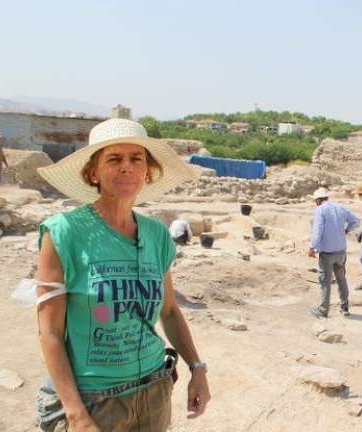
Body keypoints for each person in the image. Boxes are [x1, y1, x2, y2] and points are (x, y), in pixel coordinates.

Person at [33, 118, 209, 432]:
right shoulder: (63, 233)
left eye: (135, 159)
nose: (126, 167)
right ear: (93, 172)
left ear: (147, 171)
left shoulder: (156, 235)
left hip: (155, 389)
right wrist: (76, 416)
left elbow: (168, 311)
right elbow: (50, 333)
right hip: (96, 401)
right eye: (114, 159)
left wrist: (197, 368)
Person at [308, 188, 359, 318]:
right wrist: (346, 230)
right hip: (341, 252)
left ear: (318, 200)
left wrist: (312, 247)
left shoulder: (320, 209)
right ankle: (345, 307)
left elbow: (317, 231)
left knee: (325, 281)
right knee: (341, 279)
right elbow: (355, 221)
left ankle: (323, 310)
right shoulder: (340, 207)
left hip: (327, 253)